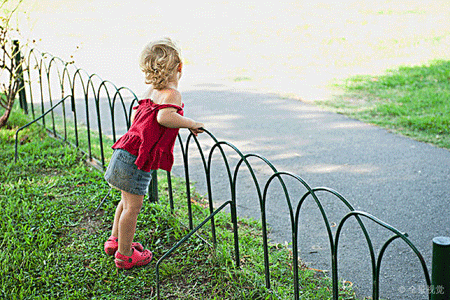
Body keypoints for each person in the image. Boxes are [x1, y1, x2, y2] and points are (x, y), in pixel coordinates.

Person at [103, 38, 204, 269]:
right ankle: (125, 255)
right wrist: (190, 123)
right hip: (136, 161)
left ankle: (115, 240)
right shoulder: (172, 94)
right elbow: (164, 117)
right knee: (132, 208)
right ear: (179, 67)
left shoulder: (151, 91)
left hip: (124, 151)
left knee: (124, 201)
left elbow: (137, 117)